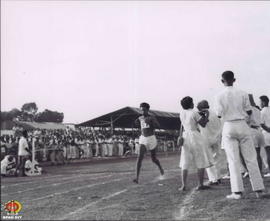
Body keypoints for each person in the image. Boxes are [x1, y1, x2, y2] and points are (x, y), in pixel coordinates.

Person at [215, 71, 265, 199]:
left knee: (233, 161)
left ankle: (237, 192)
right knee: (251, 158)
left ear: (222, 81)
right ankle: (258, 190)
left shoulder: (219, 95)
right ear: (234, 79)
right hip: (242, 124)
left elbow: (219, 114)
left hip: (229, 126)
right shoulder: (243, 93)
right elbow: (249, 111)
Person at [178, 96, 212, 191]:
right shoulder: (194, 112)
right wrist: (207, 115)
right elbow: (204, 124)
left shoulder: (182, 113)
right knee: (200, 159)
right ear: (190, 104)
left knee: (185, 161)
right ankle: (200, 184)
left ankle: (183, 185)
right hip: (194, 135)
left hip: (185, 135)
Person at [133, 102, 164, 184]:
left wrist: (152, 123)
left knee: (153, 159)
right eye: (141, 110)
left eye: (144, 110)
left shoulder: (152, 117)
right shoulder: (140, 118)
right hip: (143, 138)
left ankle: (160, 167)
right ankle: (137, 178)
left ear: (147, 109)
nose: (142, 112)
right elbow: (136, 123)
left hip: (151, 138)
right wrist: (137, 123)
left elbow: (159, 126)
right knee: (139, 157)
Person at [197, 100, 225, 185]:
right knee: (217, 158)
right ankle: (218, 177)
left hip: (206, 138)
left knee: (208, 159)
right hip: (216, 137)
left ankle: (213, 179)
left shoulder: (201, 114)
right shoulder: (215, 113)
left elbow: (202, 124)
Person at [246, 94, 265, 175]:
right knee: (258, 154)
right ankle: (260, 171)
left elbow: (246, 121)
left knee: (253, 154)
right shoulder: (257, 109)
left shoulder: (248, 110)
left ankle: (255, 172)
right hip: (259, 131)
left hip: (252, 131)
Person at [260, 95, 270, 177]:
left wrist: (268, 130)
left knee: (268, 153)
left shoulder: (262, 112)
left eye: (260, 102)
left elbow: (262, 124)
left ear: (263, 102)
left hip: (266, 133)